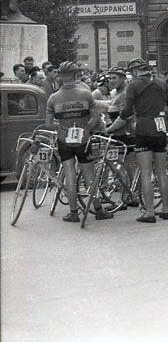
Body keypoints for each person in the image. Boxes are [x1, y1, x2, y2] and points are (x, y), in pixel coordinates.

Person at [45, 61, 113, 223]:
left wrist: (64, 127)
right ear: (76, 75)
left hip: (64, 139)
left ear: (60, 76)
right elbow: (95, 118)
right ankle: (98, 210)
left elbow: (48, 124)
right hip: (83, 139)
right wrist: (85, 129)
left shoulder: (53, 98)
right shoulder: (85, 94)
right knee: (90, 175)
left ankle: (73, 212)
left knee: (69, 176)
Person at [120, 58, 168, 222]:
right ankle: (165, 209)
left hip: (143, 130)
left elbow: (127, 110)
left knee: (146, 173)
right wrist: (166, 121)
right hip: (160, 130)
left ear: (134, 72)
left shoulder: (133, 85)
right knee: (162, 172)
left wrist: (121, 114)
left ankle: (149, 212)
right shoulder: (161, 84)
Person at [103, 67, 137, 209]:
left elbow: (123, 117)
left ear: (122, 78)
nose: (111, 81)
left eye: (114, 78)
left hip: (124, 134)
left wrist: (108, 129)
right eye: (109, 78)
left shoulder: (124, 93)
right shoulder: (115, 93)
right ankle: (131, 196)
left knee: (120, 167)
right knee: (126, 167)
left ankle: (124, 199)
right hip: (121, 134)